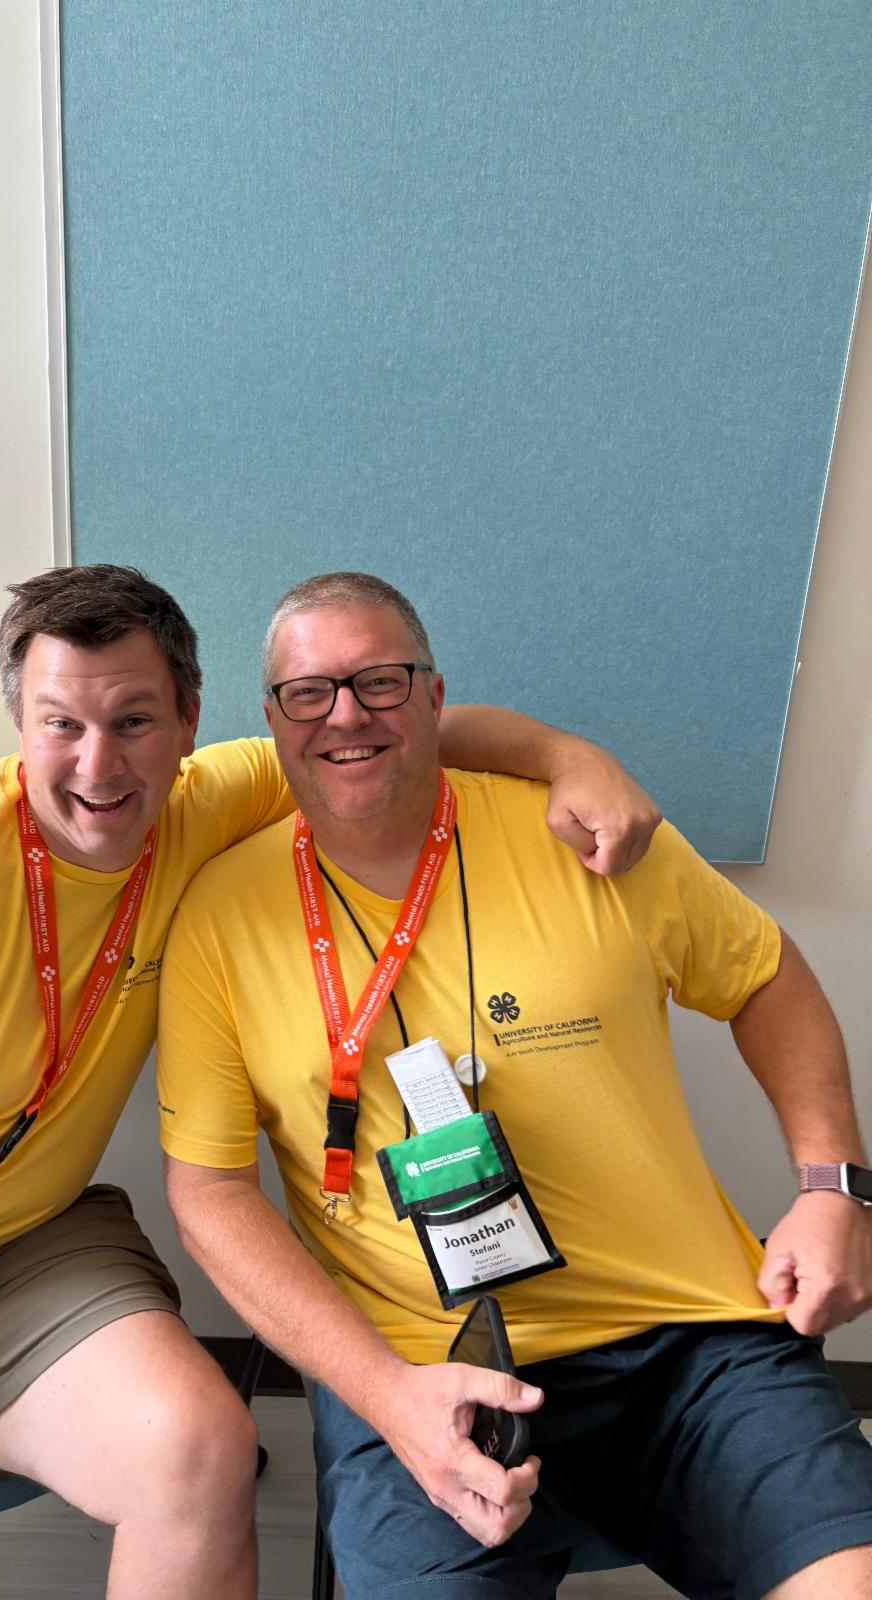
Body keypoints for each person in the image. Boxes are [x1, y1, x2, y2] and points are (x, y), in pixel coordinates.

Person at [0, 564, 661, 1600]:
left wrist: (569, 756)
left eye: (134, 719)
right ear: (20, 725)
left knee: (198, 1451)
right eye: (62, 724)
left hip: (19, 1246)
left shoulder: (208, 805)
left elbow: (388, 733)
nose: (99, 765)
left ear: (190, 721)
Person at [158, 570, 872, 1600]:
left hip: (692, 1346)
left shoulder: (585, 835)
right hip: (419, 1368)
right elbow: (211, 1194)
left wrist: (831, 1185)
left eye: (381, 681)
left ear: (438, 696)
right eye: (308, 692)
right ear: (271, 722)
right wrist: (387, 1397)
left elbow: (764, 975)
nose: (345, 713)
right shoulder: (221, 915)